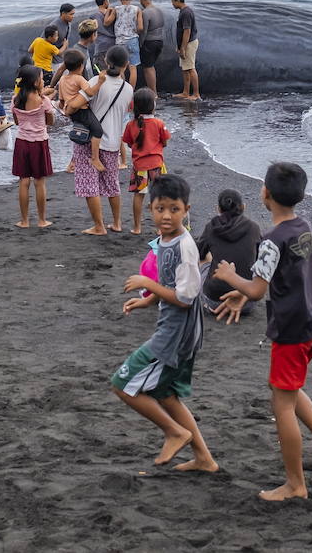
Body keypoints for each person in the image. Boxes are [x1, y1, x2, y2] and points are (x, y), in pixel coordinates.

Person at [213, 162, 312, 501]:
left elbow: (258, 289)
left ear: (265, 194)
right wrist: (245, 291)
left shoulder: (271, 240)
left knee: (281, 404)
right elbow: (286, 275)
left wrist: (231, 277)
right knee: (287, 388)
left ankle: (295, 484)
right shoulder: (301, 228)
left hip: (291, 330)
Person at [111, 173, 218, 473]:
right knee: (167, 395)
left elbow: (185, 297)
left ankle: (174, 432)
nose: (167, 215)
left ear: (187, 210)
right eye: (160, 209)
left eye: (174, 209)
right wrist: (148, 300)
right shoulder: (166, 241)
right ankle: (204, 459)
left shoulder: (184, 247)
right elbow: (172, 285)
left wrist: (147, 284)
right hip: (178, 330)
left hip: (176, 334)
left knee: (122, 384)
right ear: (150, 210)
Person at [72, 45, 132, 235]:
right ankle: (117, 223)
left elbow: (76, 104)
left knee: (90, 185)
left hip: (90, 140)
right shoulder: (128, 88)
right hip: (114, 142)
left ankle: (99, 226)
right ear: (127, 65)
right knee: (112, 184)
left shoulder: (96, 81)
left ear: (106, 61)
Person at [199, 188, 262, 316]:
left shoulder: (211, 227)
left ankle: (208, 302)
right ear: (243, 207)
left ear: (218, 209)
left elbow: (199, 253)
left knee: (205, 258)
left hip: (214, 299)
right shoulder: (254, 228)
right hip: (247, 301)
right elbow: (260, 257)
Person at [12, 65, 57, 229]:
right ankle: (41, 220)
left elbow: (16, 121)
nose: (43, 81)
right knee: (39, 182)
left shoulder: (15, 100)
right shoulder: (43, 101)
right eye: (41, 78)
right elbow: (50, 122)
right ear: (35, 82)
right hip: (39, 143)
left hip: (22, 142)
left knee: (23, 181)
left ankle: (24, 221)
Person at [123, 87, 169, 235]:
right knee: (159, 196)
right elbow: (165, 141)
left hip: (139, 166)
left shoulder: (131, 125)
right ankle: (160, 228)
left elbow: (129, 143)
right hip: (156, 165)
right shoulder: (159, 123)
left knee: (139, 195)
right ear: (152, 106)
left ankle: (137, 227)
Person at [56, 50, 107, 172]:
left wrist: (65, 109)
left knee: (84, 132)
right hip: (83, 111)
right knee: (98, 130)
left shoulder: (62, 79)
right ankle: (95, 158)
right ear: (81, 66)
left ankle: (76, 161)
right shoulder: (79, 79)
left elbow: (61, 100)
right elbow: (90, 93)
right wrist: (100, 83)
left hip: (72, 113)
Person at [171, 0, 200, 100]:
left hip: (189, 44)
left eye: (173, 1)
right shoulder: (183, 11)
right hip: (185, 44)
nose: (172, 4)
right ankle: (186, 92)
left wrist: (183, 48)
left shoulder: (186, 12)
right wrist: (179, 46)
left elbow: (187, 31)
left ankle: (196, 94)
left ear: (178, 0)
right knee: (185, 68)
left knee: (191, 68)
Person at [137, 0, 167, 94]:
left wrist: (140, 45)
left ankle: (153, 93)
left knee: (147, 68)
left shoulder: (145, 13)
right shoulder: (159, 10)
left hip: (149, 42)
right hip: (159, 41)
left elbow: (143, 32)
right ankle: (154, 91)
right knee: (151, 66)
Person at [114, 0, 143, 88]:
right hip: (132, 40)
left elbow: (108, 22)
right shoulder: (137, 9)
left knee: (120, 67)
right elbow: (140, 27)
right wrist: (135, 31)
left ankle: (121, 89)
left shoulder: (116, 9)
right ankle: (131, 90)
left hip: (120, 41)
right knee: (133, 68)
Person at [93, 0, 118, 73]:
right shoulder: (112, 13)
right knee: (116, 70)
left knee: (103, 71)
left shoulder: (94, 16)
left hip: (101, 46)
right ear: (105, 2)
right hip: (113, 44)